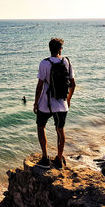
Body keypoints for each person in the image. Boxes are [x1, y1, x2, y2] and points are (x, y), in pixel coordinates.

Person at [33, 38, 76, 169]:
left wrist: (35, 103)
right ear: (60, 49)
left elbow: (40, 86)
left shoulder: (44, 63)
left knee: (41, 127)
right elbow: (73, 84)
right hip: (62, 104)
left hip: (45, 104)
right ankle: (58, 158)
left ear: (49, 48)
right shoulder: (67, 62)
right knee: (60, 130)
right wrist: (68, 100)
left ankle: (45, 158)